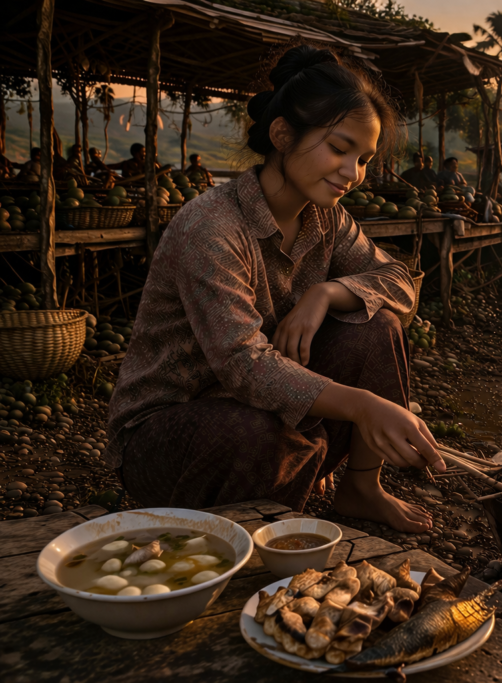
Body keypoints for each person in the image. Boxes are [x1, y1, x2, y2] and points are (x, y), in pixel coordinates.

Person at [107, 45, 443, 532]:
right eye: (339, 148)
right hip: (171, 433)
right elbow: (242, 364)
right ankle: (267, 516)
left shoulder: (327, 219)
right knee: (258, 433)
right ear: (283, 135)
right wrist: (364, 406)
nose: (352, 174)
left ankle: (360, 488)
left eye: (364, 159)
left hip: (268, 405)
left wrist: (325, 293)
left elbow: (399, 283)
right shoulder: (212, 227)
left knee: (379, 328)